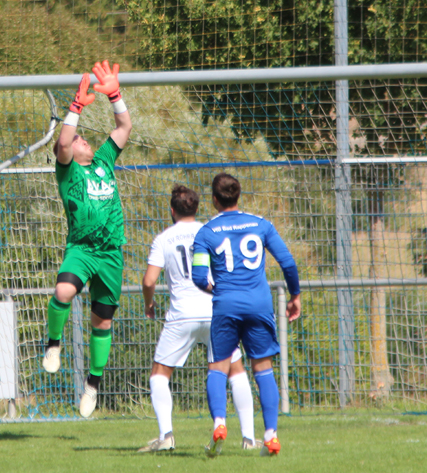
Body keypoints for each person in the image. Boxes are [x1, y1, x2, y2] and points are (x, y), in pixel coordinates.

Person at [42, 60, 132, 418]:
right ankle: (53, 345)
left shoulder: (104, 161)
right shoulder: (68, 172)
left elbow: (124, 127)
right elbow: (64, 141)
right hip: (82, 249)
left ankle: (92, 385)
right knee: (64, 291)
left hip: (110, 252)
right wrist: (75, 107)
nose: (83, 140)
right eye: (80, 140)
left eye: (83, 138)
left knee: (102, 322)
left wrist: (115, 96)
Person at [139, 185, 259, 452]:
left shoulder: (164, 239)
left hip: (182, 315)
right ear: (197, 208)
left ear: (172, 210)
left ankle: (166, 436)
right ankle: (249, 439)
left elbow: (148, 281)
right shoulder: (212, 231)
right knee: (236, 371)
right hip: (217, 311)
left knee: (159, 374)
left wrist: (149, 304)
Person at [192, 173, 301, 457]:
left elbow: (199, 276)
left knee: (218, 367)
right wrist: (295, 296)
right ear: (238, 196)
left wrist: (218, 289)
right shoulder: (261, 224)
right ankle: (271, 436)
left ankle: (219, 423)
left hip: (226, 306)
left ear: (214, 200)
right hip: (259, 305)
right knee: (263, 368)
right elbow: (288, 263)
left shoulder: (206, 232)